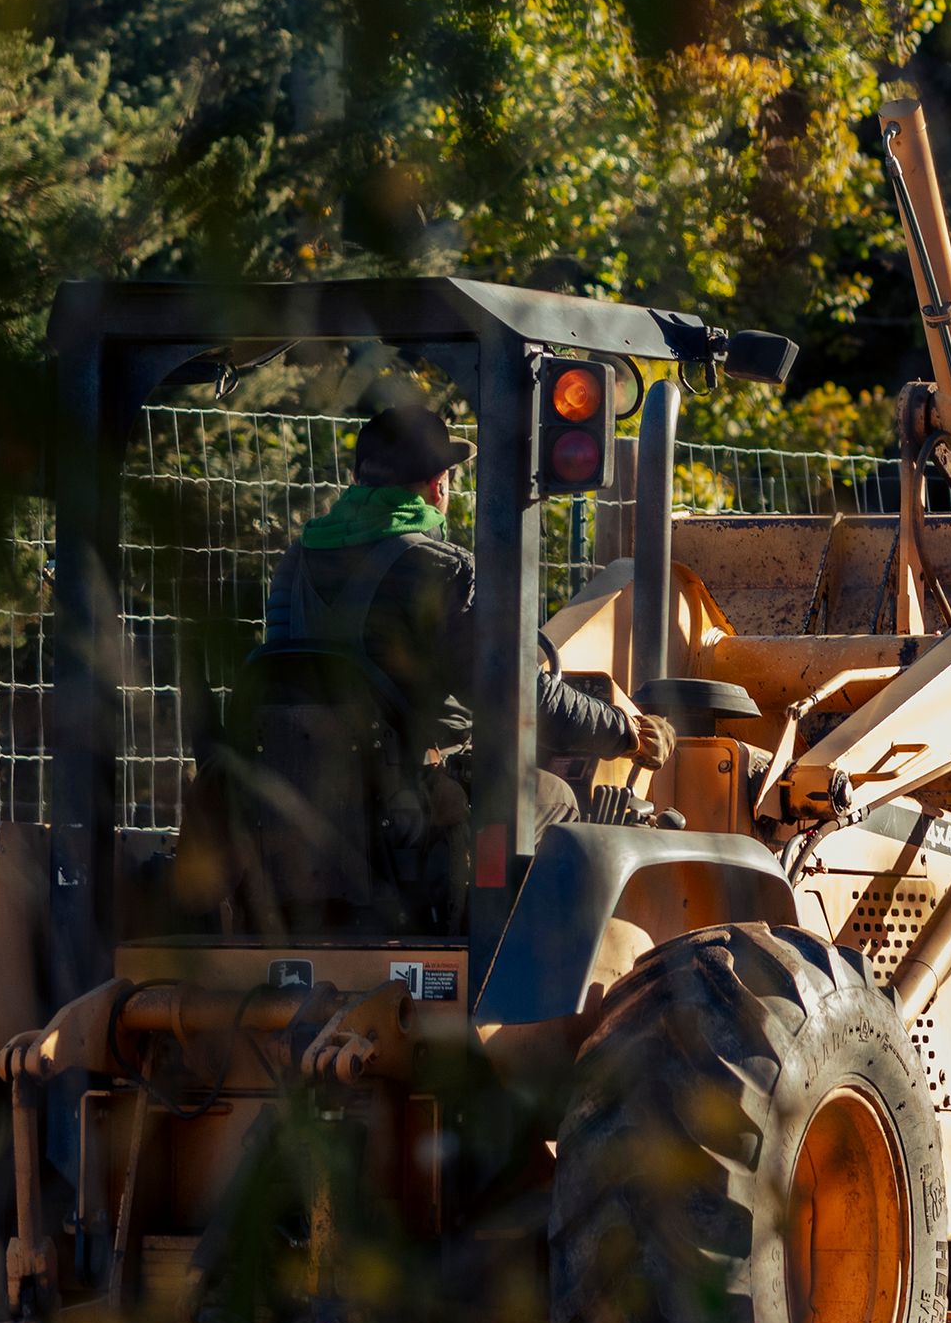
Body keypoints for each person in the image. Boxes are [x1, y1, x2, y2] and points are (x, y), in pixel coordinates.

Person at [249, 380, 664, 922]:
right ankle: (499, 960)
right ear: (438, 484)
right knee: (554, 797)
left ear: (356, 481)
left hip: (296, 800)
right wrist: (623, 732)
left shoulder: (296, 560)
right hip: (406, 814)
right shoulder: (443, 571)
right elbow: (517, 697)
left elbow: (286, 676)